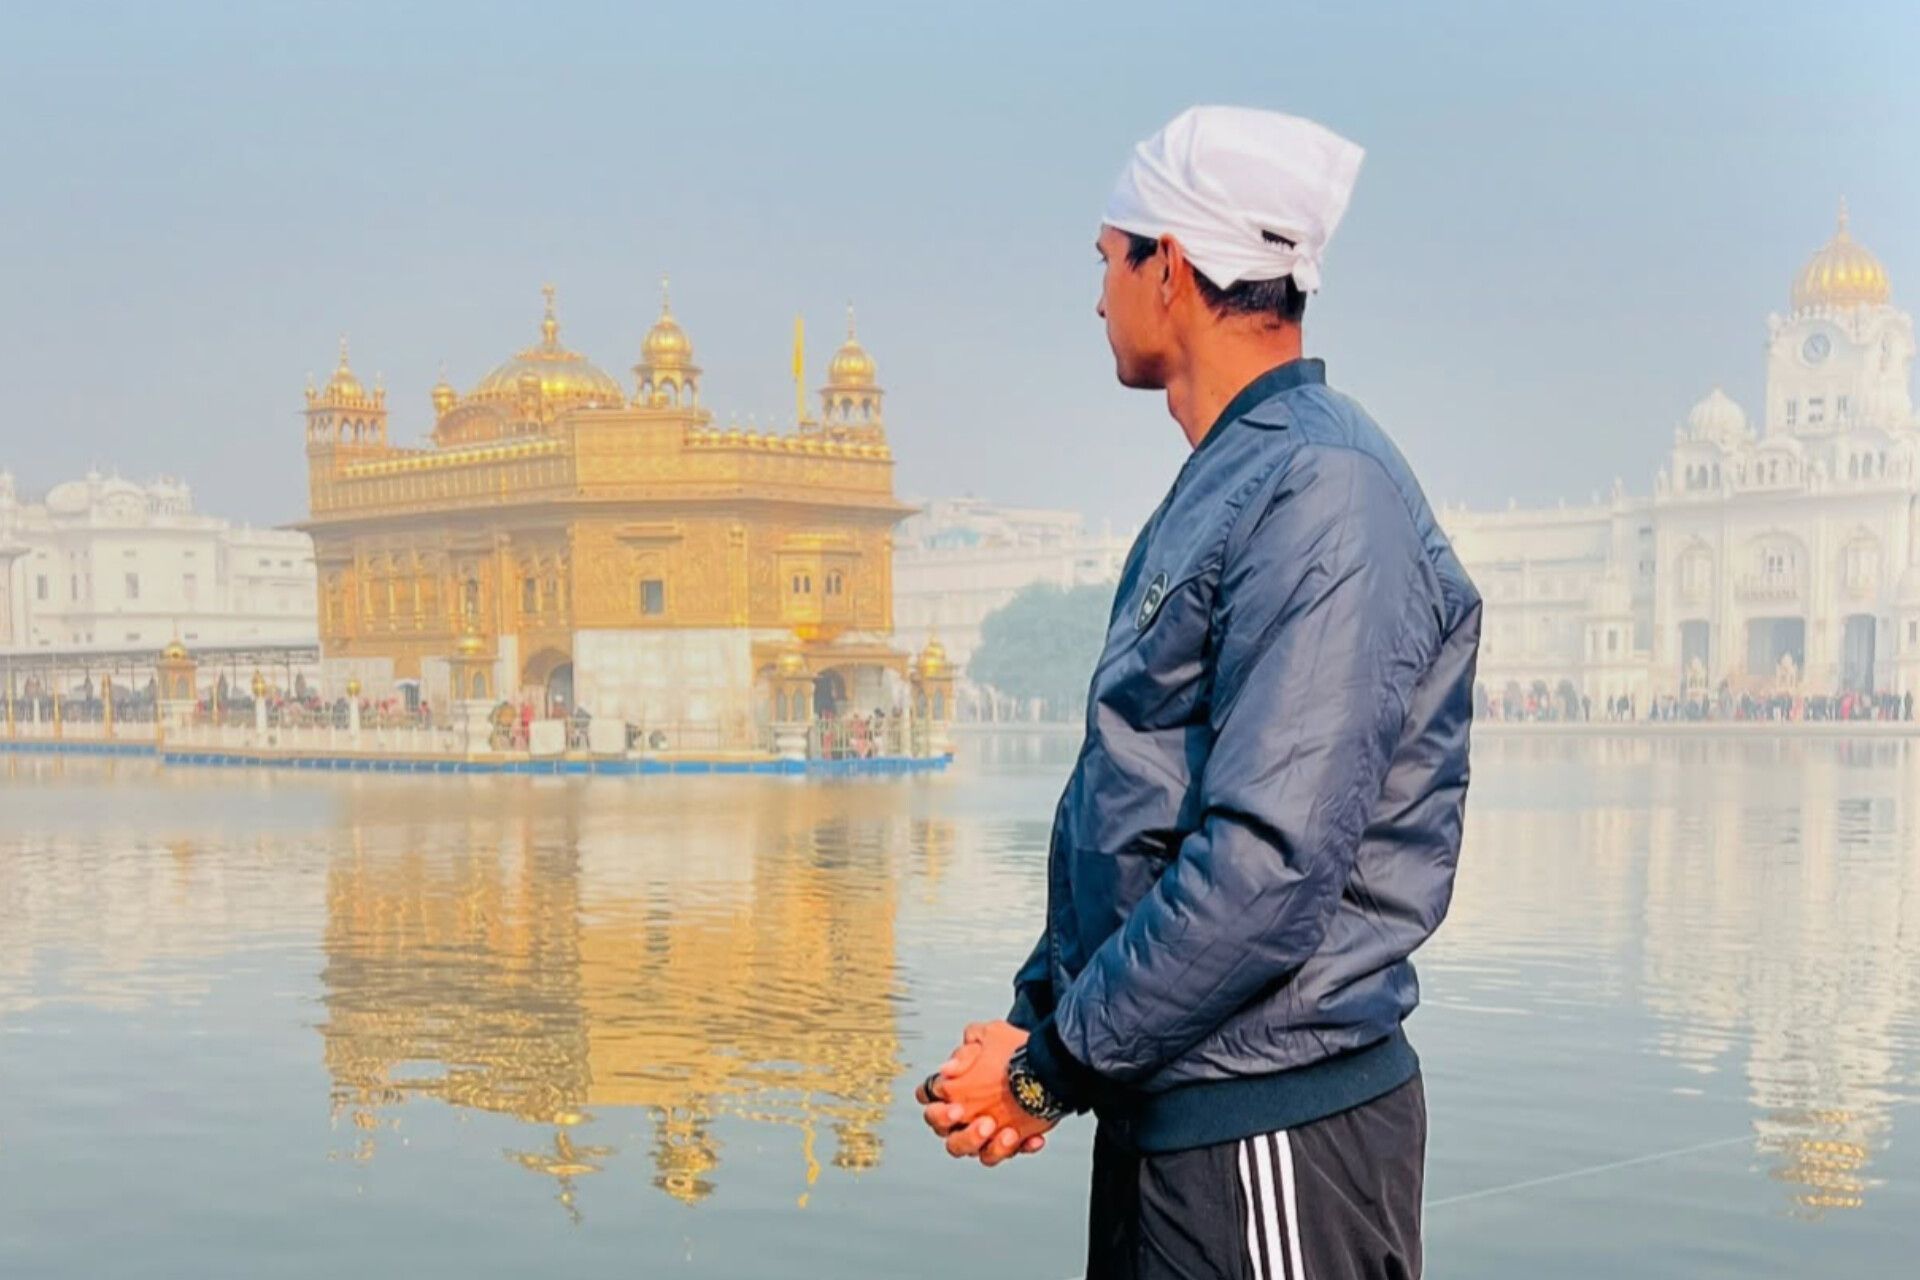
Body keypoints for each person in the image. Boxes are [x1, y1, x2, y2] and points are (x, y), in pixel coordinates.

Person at [916, 106, 1481, 1280]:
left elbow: (1265, 864)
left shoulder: (1323, 487)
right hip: (1182, 1115)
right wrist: (1041, 1017)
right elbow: (1141, 805)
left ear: (1168, 265)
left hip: (1269, 1129)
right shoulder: (1239, 476)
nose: (1097, 295)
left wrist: (1046, 1070)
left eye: (1107, 258)